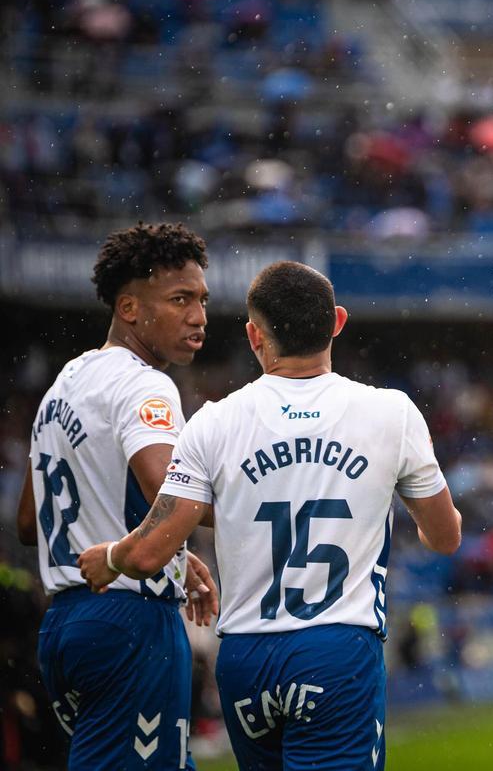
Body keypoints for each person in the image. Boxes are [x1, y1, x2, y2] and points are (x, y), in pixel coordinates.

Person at [77, 261, 462, 770]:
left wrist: (109, 557)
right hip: (336, 648)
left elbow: (150, 551)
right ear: (337, 322)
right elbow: (445, 537)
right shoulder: (392, 413)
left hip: (246, 659)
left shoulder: (212, 422)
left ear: (254, 335)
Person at [15, 222, 219, 769]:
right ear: (129, 307)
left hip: (65, 624)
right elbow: (171, 491)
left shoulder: (65, 383)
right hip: (130, 621)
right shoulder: (144, 383)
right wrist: (271, 504)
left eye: (201, 300)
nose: (198, 316)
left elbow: (29, 522)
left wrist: (172, 550)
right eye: (180, 299)